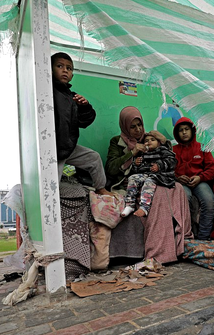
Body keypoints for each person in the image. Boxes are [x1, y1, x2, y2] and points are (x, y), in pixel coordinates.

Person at [106, 106, 193, 264]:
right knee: (158, 194)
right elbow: (111, 168)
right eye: (133, 127)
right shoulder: (116, 142)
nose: (138, 130)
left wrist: (165, 142)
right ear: (125, 126)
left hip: (153, 177)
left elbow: (167, 157)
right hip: (130, 181)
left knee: (177, 188)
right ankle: (158, 248)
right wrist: (132, 154)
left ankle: (178, 240)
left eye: (140, 125)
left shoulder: (149, 139)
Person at [51, 52, 112, 196]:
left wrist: (85, 107)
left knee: (94, 157)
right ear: (50, 69)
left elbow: (84, 122)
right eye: (60, 66)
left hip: (67, 146)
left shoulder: (72, 97)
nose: (65, 70)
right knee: (53, 187)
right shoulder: (46, 92)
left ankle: (100, 188)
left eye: (69, 68)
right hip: (52, 149)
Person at [173, 117, 214, 240]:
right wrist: (177, 178)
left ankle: (204, 237)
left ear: (193, 131)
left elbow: (212, 168)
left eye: (187, 129)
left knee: (209, 201)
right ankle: (185, 236)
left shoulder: (202, 147)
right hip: (181, 183)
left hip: (200, 182)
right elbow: (168, 170)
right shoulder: (173, 150)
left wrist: (200, 178)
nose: (184, 132)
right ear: (177, 134)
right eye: (181, 130)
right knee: (184, 199)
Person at [122, 131, 177, 217]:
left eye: (152, 139)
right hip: (146, 174)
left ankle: (144, 208)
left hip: (161, 176)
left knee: (149, 182)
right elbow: (136, 170)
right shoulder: (142, 153)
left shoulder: (163, 150)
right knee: (132, 178)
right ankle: (129, 205)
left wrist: (159, 166)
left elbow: (172, 161)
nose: (149, 142)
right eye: (146, 140)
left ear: (159, 143)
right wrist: (136, 164)